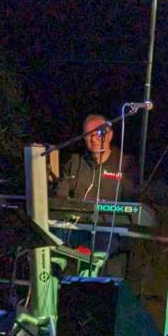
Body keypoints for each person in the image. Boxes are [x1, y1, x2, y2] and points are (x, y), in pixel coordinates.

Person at [52, 114, 138, 267]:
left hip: (107, 232)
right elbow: (60, 198)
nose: (93, 139)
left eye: (99, 133)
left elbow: (131, 205)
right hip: (75, 228)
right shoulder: (75, 163)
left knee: (99, 250)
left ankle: (89, 273)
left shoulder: (125, 165)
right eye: (88, 135)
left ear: (110, 135)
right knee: (51, 245)